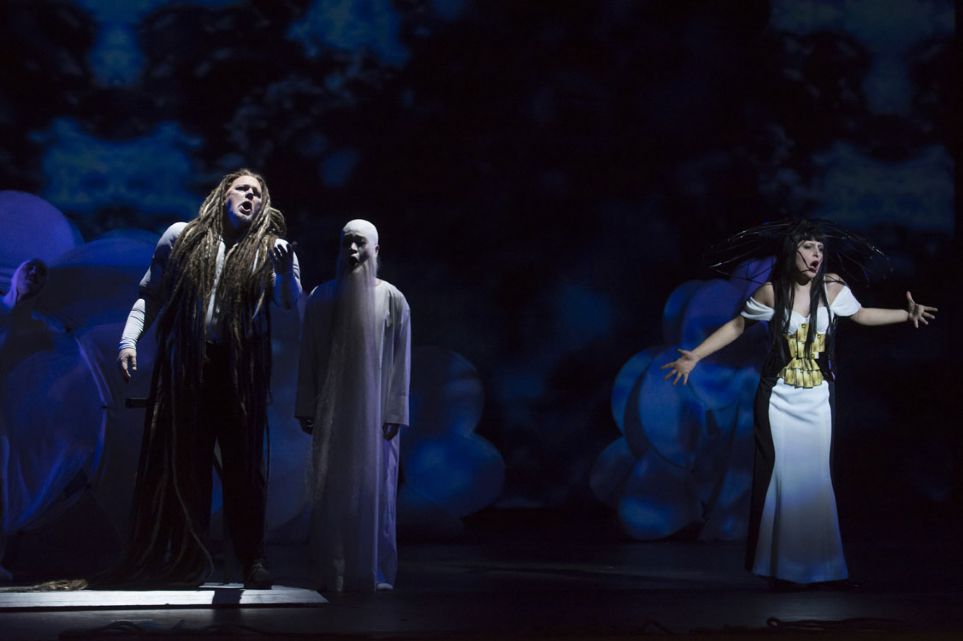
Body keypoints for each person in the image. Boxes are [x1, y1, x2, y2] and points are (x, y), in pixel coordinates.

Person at [662, 219, 936, 588]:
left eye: (820, 248)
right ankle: (781, 567)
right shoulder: (771, 293)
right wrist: (695, 355)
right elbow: (738, 326)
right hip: (779, 398)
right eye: (808, 247)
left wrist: (906, 314)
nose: (816, 254)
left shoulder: (834, 287)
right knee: (782, 480)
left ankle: (822, 568)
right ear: (792, 252)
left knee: (815, 480)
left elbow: (860, 315)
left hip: (818, 398)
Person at [112, 169, 301, 588]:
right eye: (242, 189)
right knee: (188, 465)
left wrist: (285, 272)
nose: (250, 197)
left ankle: (252, 559)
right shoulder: (182, 237)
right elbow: (150, 294)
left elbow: (290, 304)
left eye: (257, 194)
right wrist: (128, 341)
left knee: (244, 466)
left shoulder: (271, 249)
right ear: (223, 194)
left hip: (238, 369)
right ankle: (188, 558)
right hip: (190, 364)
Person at [295, 219, 410, 592]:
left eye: (359, 243)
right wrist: (306, 405)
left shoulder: (392, 298)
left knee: (375, 492)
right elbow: (309, 355)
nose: (352, 251)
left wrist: (394, 412)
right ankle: (332, 569)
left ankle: (369, 570)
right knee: (332, 489)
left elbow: (400, 360)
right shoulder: (322, 296)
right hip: (333, 415)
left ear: (376, 249)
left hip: (376, 417)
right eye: (346, 243)